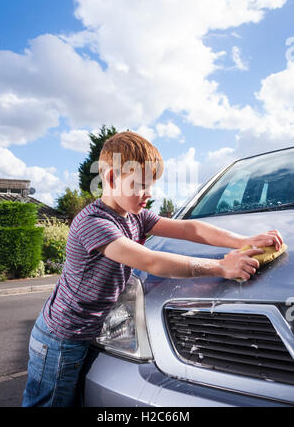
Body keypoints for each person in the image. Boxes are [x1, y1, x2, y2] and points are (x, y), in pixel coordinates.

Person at [21, 131, 284, 407]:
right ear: (110, 178)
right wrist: (221, 267)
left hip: (83, 334)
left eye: (152, 185)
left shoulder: (135, 216)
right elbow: (151, 261)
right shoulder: (94, 223)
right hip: (60, 340)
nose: (149, 194)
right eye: (141, 185)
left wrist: (242, 241)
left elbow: (189, 228)